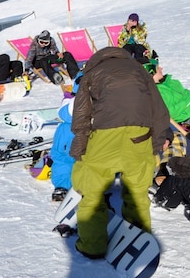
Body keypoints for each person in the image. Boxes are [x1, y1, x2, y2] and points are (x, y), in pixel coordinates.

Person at [69, 47, 172, 259]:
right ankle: (140, 244)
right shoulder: (139, 71)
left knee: (92, 191)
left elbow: (81, 114)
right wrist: (155, 146)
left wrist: (80, 148)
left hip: (104, 136)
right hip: (140, 136)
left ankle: (92, 246)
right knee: (137, 193)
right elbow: (160, 111)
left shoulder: (92, 73)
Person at [50, 72, 82, 202]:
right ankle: (63, 185)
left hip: (72, 129)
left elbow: (64, 113)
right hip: (72, 129)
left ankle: (64, 185)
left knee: (64, 157)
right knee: (65, 157)